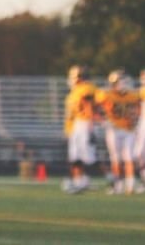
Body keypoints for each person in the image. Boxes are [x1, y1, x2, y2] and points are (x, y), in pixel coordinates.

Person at [61, 66, 102, 194]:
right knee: (75, 156)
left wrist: (91, 124)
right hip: (75, 126)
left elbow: (88, 105)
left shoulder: (86, 88)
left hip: (84, 124)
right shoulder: (73, 93)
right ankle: (80, 181)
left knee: (89, 157)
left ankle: (113, 178)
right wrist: (68, 130)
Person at [98, 69, 140, 194]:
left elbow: (139, 109)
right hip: (113, 130)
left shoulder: (132, 95)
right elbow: (97, 108)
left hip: (128, 130)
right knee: (115, 159)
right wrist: (104, 121)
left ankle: (130, 185)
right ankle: (118, 185)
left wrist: (135, 119)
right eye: (121, 81)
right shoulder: (106, 94)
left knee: (129, 157)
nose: (124, 83)